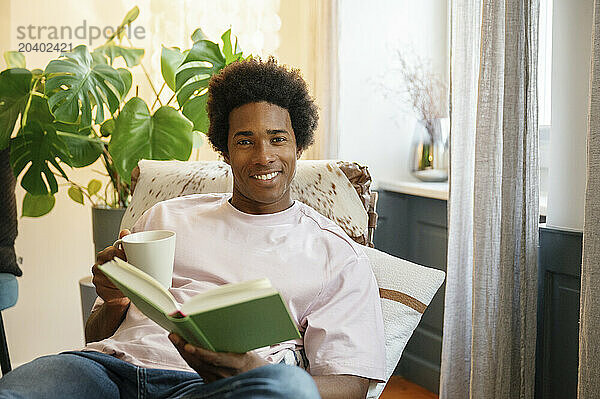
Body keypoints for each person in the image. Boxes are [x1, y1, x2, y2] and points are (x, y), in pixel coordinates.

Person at [0, 58, 385, 399]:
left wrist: (257, 373)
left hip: (211, 387)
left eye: (277, 139)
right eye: (245, 141)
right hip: (107, 370)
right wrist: (115, 298)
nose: (264, 155)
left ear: (298, 146)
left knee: (290, 387)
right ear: (226, 151)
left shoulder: (336, 255)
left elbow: (349, 384)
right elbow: (96, 335)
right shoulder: (164, 218)